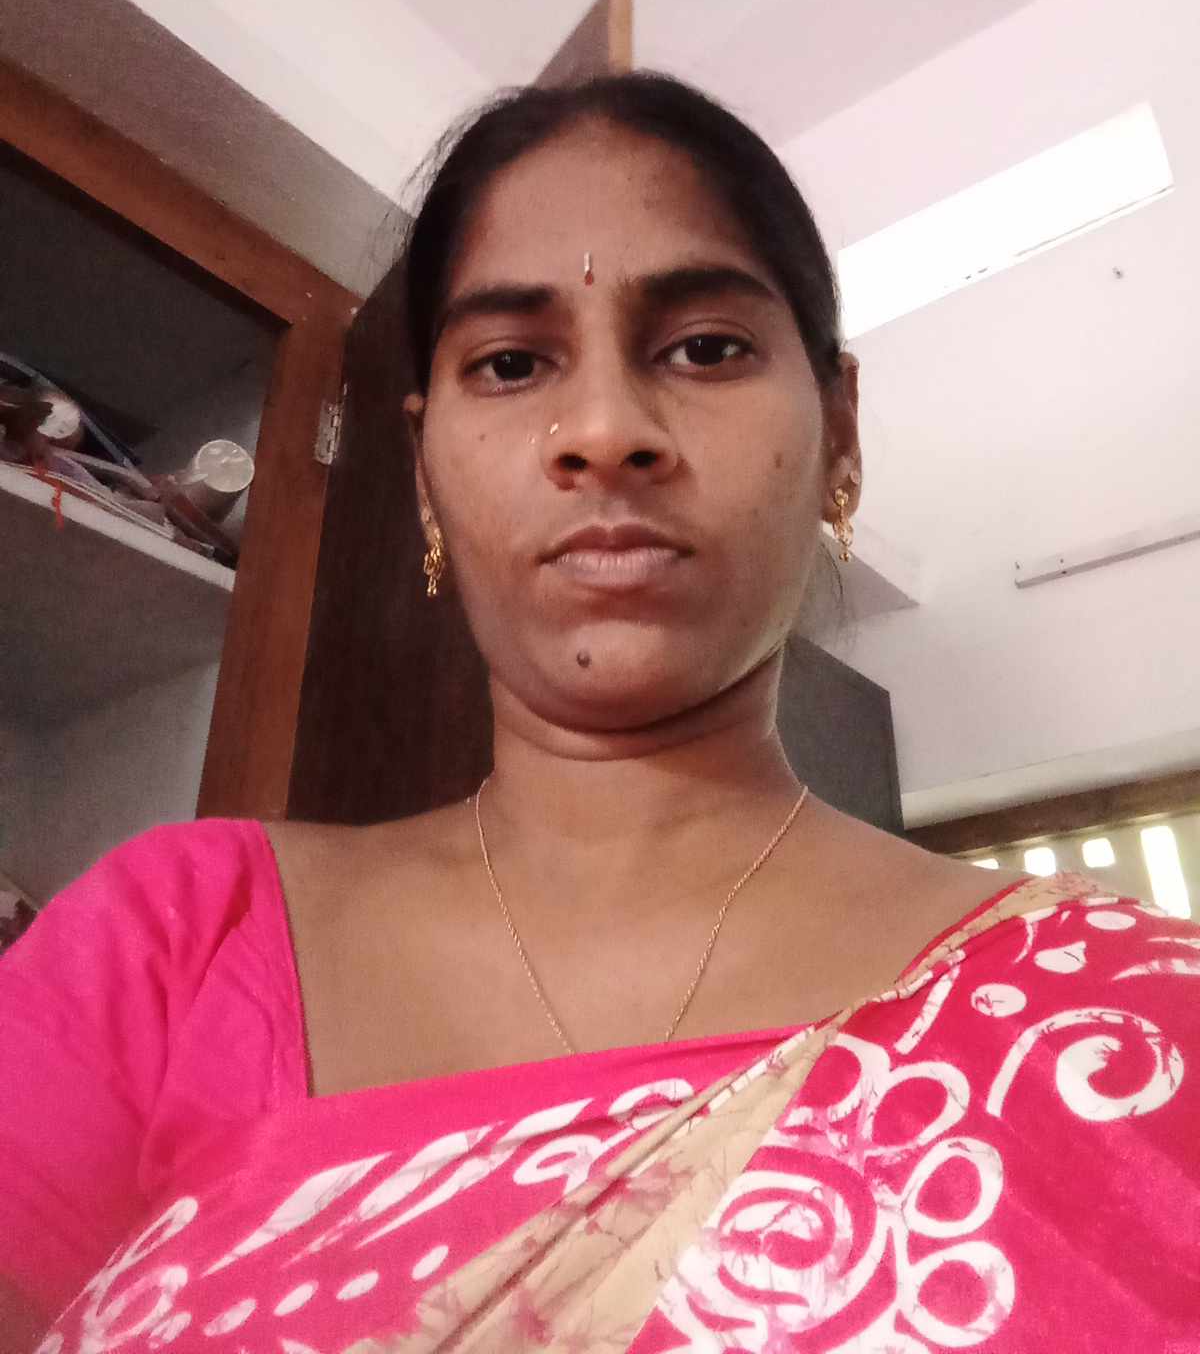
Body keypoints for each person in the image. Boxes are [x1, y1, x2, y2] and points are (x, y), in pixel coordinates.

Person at [2, 73, 1197, 1353]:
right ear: (424, 475)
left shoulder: (1140, 1021)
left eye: (706, 348)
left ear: (840, 434)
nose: (607, 430)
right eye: (512, 363)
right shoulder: (175, 948)